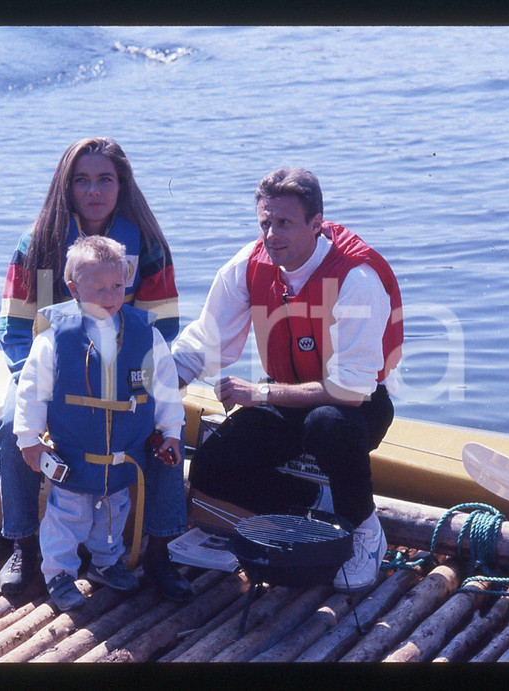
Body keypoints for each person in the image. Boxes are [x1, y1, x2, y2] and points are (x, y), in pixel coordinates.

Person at [171, 167, 403, 592]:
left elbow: (351, 391)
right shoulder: (249, 265)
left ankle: (366, 532)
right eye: (265, 222)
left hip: (355, 405)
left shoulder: (356, 277)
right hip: (286, 396)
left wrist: (257, 393)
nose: (271, 235)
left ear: (317, 224)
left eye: (284, 223)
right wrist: (162, 382)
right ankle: (317, 506)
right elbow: (207, 341)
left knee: (327, 426)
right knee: (211, 468)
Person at [0, 137, 193, 602]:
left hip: (126, 374)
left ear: (122, 185)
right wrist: (41, 385)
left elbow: (166, 323)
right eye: (81, 180)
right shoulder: (38, 244)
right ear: (66, 185)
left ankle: (160, 551)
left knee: (162, 433)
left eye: (104, 179)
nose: (93, 190)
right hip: (50, 371)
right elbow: (16, 328)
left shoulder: (149, 245)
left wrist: (125, 379)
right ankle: (23, 544)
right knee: (6, 427)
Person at [13, 235, 184, 611]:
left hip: (124, 457)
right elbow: (32, 389)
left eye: (117, 286)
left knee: (113, 512)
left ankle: (107, 565)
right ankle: (58, 573)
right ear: (73, 288)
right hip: (74, 455)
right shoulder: (55, 337)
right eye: (98, 287)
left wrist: (172, 431)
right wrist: (28, 436)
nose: (110, 295)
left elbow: (166, 389)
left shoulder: (147, 335)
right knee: (67, 515)